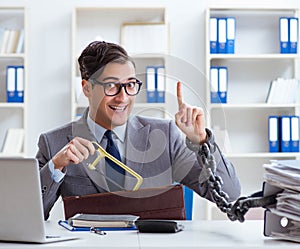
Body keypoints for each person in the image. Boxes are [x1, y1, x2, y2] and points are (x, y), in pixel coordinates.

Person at [36, 41, 241, 220]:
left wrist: (202, 142)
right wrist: (56, 166)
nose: (123, 97)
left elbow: (229, 194)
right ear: (87, 88)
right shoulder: (53, 143)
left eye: (130, 85)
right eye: (111, 86)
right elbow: (32, 215)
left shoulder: (165, 135)